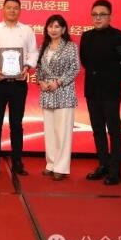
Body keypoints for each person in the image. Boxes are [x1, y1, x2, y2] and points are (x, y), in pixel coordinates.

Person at [0, 0, 39, 176]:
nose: (12, 10)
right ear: (3, 9)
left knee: (16, 124)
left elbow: (33, 53)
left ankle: (17, 162)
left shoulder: (27, 30)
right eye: (9, 7)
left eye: (15, 8)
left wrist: (27, 66)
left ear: (20, 10)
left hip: (18, 84)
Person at [79, 0, 121, 185]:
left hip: (111, 91)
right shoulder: (86, 36)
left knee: (114, 130)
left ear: (110, 17)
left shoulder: (119, 36)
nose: (98, 18)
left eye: (102, 14)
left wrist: (114, 77)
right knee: (98, 129)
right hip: (92, 90)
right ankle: (103, 165)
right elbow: (84, 61)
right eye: (94, 15)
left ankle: (116, 171)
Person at [36, 15, 80, 181]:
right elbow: (39, 68)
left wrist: (59, 82)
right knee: (50, 132)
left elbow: (75, 69)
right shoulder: (44, 46)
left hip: (64, 92)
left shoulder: (71, 46)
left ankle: (61, 167)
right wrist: (40, 81)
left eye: (57, 26)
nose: (53, 30)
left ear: (63, 29)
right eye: (50, 26)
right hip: (47, 92)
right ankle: (51, 163)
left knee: (63, 132)